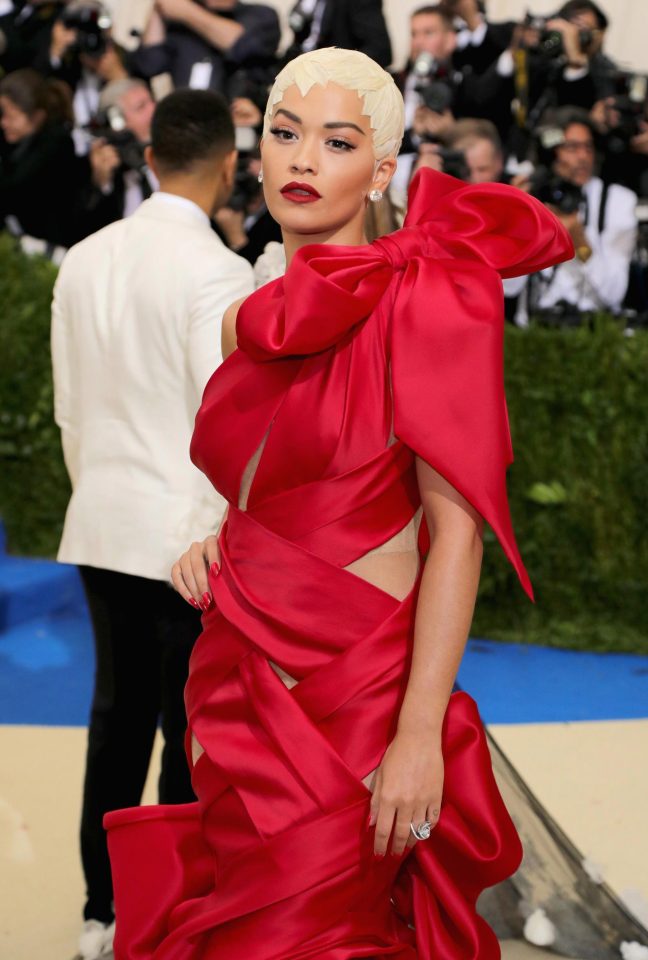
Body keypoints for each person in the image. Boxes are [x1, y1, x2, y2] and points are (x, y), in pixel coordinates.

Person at [103, 48, 573, 958]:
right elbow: (268, 477)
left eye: (337, 140)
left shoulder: (427, 298)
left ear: (382, 170)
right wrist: (216, 532)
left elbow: (456, 538)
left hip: (359, 701)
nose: (303, 160)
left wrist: (419, 736)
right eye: (284, 134)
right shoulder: (250, 309)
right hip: (236, 684)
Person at [51, 88, 254, 960]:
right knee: (184, 729)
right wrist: (215, 531)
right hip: (185, 539)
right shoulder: (221, 273)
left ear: (148, 160)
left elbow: (68, 413)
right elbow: (226, 423)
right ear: (232, 166)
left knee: (115, 716)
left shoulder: (82, 259)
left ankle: (101, 911)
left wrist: (98, 493)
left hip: (100, 518)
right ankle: (160, 913)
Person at [520, 109, 637, 322]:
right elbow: (507, 289)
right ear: (550, 153)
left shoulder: (618, 202)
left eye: (588, 148)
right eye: (572, 147)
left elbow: (613, 295)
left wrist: (580, 241)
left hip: (589, 332)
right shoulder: (530, 196)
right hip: (533, 332)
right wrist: (514, 218)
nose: (583, 157)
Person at [131, 0, 280, 102]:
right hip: (190, 125)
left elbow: (240, 44)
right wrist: (159, 8)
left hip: (241, 126)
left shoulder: (260, 16)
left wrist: (186, 11)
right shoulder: (179, 27)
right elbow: (149, 65)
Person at [0, 67, 80, 252]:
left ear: (37, 117)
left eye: (11, 117)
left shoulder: (56, 144)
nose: (3, 123)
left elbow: (13, 188)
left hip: (54, 246)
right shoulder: (15, 143)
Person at [283, 0, 392, 68]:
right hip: (300, 65)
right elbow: (298, 26)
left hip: (331, 78)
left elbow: (380, 50)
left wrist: (337, 70)